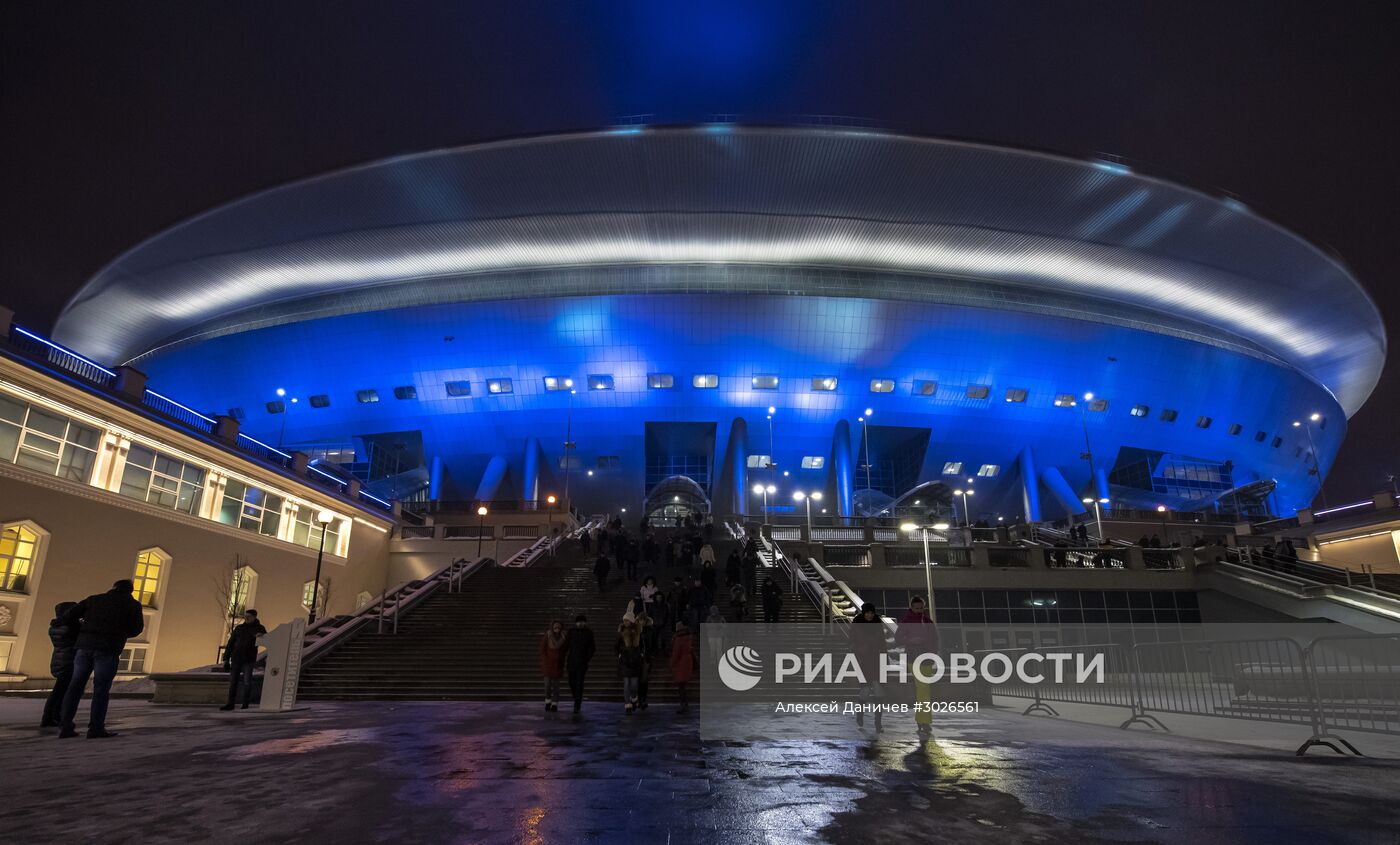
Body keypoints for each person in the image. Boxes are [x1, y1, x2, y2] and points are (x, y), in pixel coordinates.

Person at [59, 579, 144, 738]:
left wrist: (83, 627)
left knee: (75, 686)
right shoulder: (132, 605)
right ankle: (95, 728)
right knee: (101, 689)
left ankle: (65, 726)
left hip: (84, 646)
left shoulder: (94, 599)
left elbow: (68, 615)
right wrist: (121, 632)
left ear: (113, 587)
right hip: (108, 648)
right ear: (130, 591)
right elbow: (136, 629)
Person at [895, 596, 939, 737]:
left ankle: (922, 720)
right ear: (912, 608)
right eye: (917, 608)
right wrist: (911, 640)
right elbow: (897, 639)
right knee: (923, 688)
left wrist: (933, 654)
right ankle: (924, 721)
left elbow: (935, 639)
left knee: (924, 690)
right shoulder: (906, 621)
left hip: (927, 658)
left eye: (921, 608)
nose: (920, 610)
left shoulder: (928, 622)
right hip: (913, 657)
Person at [40, 601, 78, 729]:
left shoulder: (55, 626)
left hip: (59, 659)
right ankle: (54, 716)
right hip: (69, 660)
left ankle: (49, 716)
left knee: (58, 690)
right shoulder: (71, 626)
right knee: (62, 691)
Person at [220, 609, 267, 710]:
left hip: (248, 659)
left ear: (254, 617)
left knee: (247, 682)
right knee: (233, 682)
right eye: (245, 616)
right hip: (236, 658)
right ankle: (230, 703)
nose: (246, 618)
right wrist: (226, 659)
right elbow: (231, 643)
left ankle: (245, 703)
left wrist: (262, 636)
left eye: (249, 616)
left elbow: (266, 639)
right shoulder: (239, 628)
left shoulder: (259, 628)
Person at [851, 604, 887, 730]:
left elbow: (883, 642)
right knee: (865, 691)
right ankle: (860, 714)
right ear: (863, 613)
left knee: (879, 691)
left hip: (877, 660)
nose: (870, 615)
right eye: (867, 613)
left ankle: (878, 722)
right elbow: (852, 642)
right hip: (864, 660)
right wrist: (859, 652)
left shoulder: (877, 624)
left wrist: (885, 658)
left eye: (872, 613)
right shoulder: (857, 624)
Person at [559, 614, 596, 713]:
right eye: (578, 622)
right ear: (576, 623)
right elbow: (566, 645)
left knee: (579, 683)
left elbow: (592, 648)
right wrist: (561, 656)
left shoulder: (589, 633)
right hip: (571, 661)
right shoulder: (572, 632)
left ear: (585, 623)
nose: (580, 623)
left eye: (582, 622)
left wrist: (586, 658)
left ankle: (577, 704)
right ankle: (576, 698)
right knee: (571, 682)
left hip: (582, 663)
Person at [616, 617, 644, 714]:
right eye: (624, 620)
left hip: (635, 661)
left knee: (634, 685)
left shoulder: (638, 631)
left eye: (627, 620)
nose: (625, 622)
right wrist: (619, 655)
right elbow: (616, 646)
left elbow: (642, 645)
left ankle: (634, 698)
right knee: (627, 684)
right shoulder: (621, 632)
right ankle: (628, 705)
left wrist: (641, 654)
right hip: (625, 661)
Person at [540, 620, 565, 712]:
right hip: (548, 664)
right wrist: (544, 660)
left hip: (558, 665)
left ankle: (554, 704)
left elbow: (564, 650)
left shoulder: (563, 637)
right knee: (547, 686)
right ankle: (548, 702)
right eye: (555, 627)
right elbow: (542, 648)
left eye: (559, 627)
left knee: (556, 687)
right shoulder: (548, 636)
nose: (557, 629)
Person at [670, 621, 696, 712]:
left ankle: (683, 705)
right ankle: (685, 704)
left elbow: (676, 654)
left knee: (681, 686)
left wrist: (671, 664)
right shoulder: (688, 638)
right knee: (682, 685)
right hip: (687, 662)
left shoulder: (679, 639)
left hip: (681, 664)